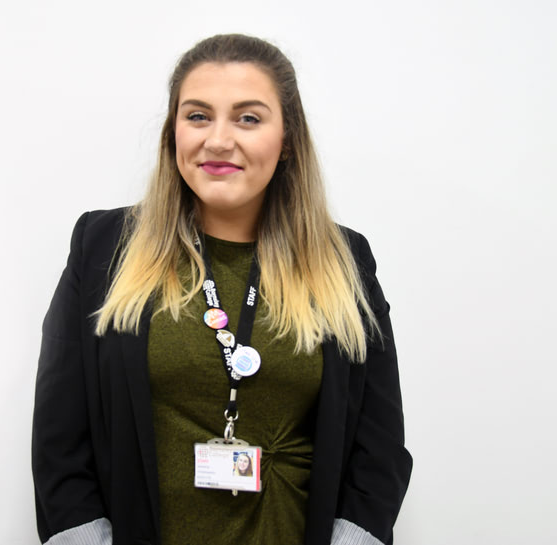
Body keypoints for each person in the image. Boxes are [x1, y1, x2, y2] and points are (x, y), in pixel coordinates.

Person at [32, 34, 412, 545]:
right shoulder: (103, 247)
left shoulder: (345, 260)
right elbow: (59, 434)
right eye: (197, 116)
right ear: (172, 133)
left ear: (287, 140)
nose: (217, 140)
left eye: (248, 118)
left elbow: (379, 445)